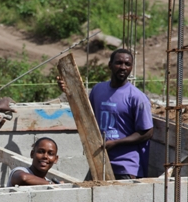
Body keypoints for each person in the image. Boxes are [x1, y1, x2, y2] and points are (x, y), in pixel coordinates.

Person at [57, 48, 153, 179]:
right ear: (110, 65)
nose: (123, 67)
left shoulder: (137, 97)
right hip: (99, 161)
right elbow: (86, 116)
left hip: (125, 166)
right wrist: (69, 92)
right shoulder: (98, 90)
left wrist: (116, 143)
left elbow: (147, 132)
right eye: (119, 63)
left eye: (127, 64)